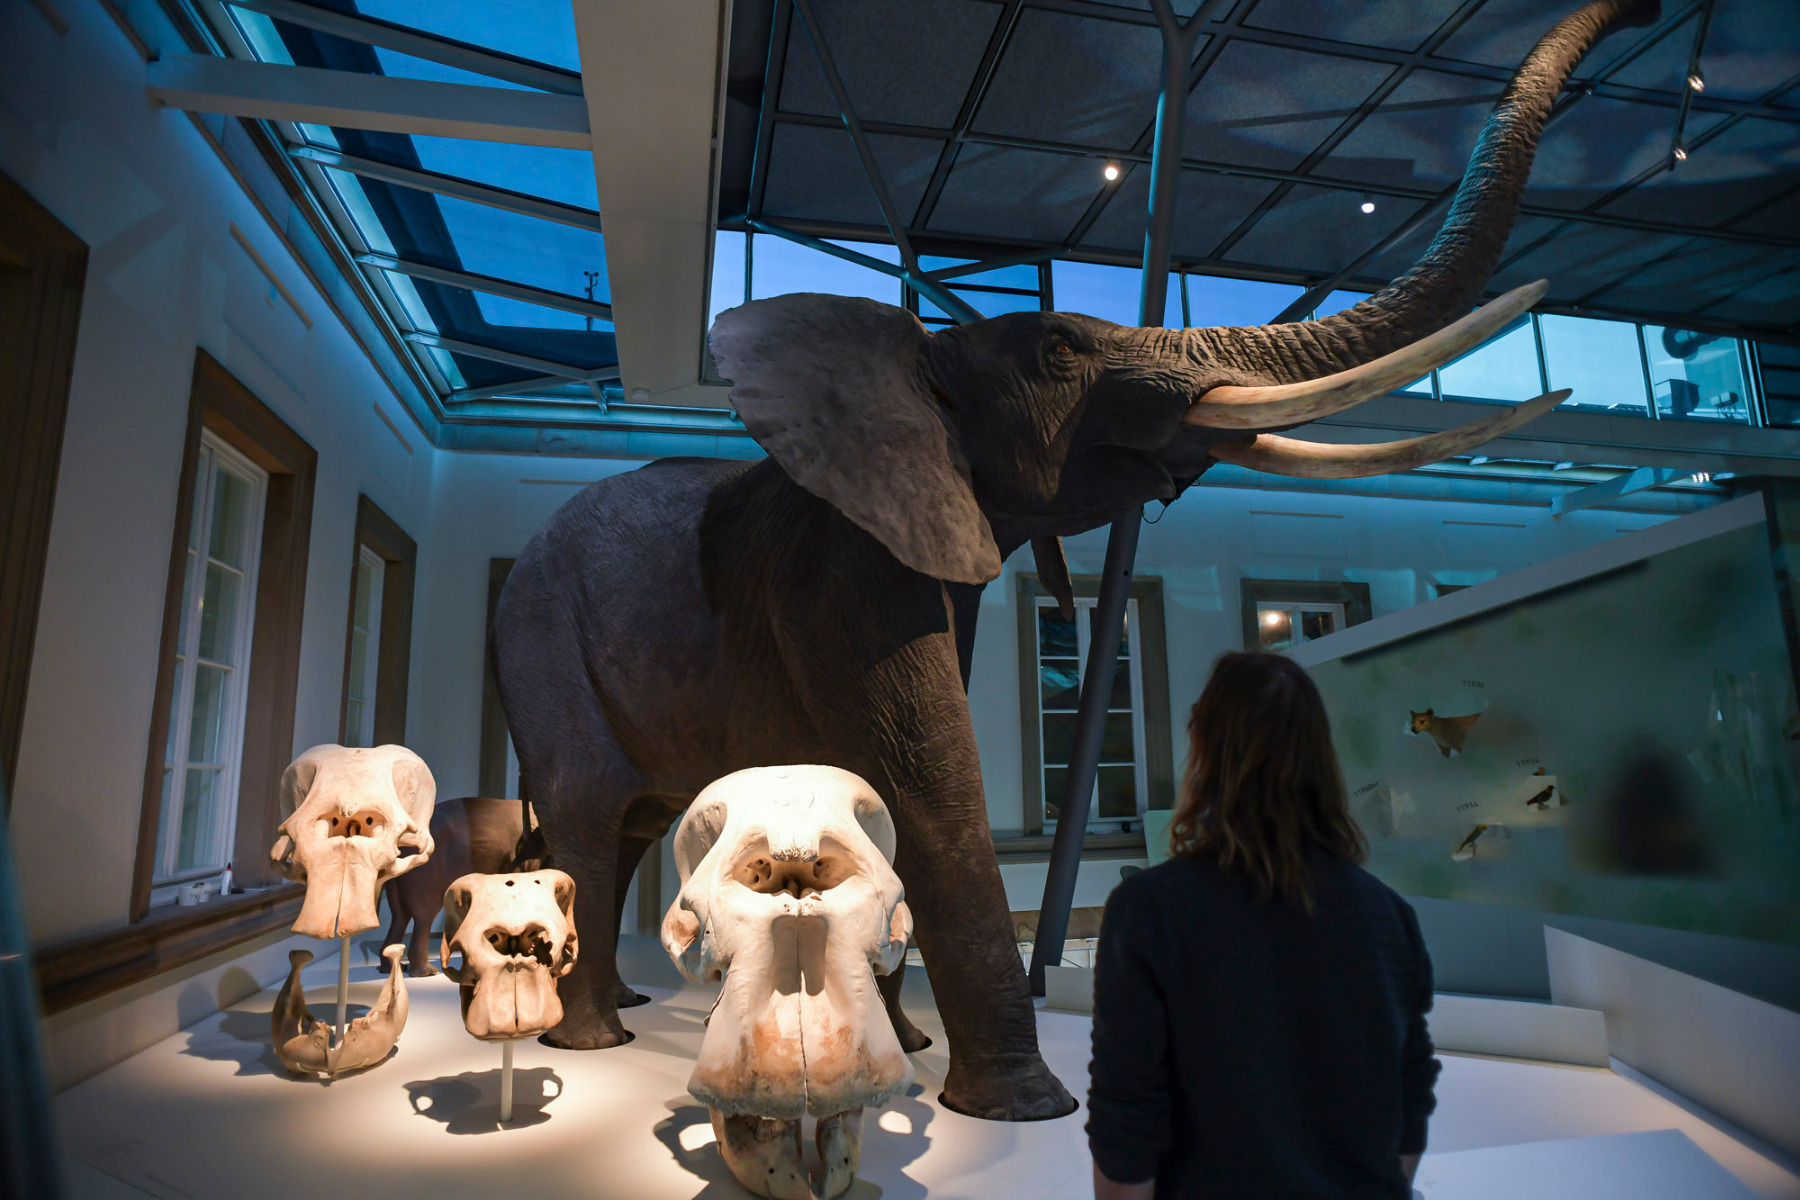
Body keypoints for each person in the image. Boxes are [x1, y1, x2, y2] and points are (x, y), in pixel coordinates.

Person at [1087, 652, 1439, 1200]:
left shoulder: (1150, 911)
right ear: (1321, 757)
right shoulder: (1389, 916)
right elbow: (1410, 1100)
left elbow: (1127, 1122)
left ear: (1205, 752)